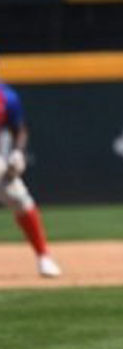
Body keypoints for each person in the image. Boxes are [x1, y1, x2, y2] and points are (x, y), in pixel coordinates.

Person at [0, 81, 61, 277]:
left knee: (21, 200)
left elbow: (19, 128)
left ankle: (44, 257)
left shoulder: (7, 97)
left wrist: (17, 152)